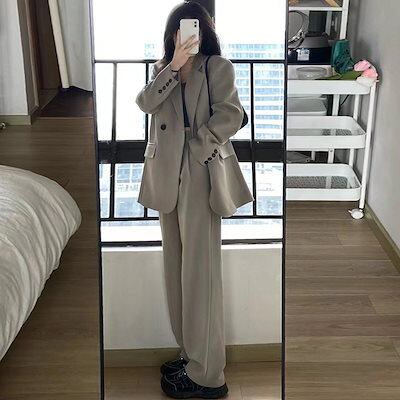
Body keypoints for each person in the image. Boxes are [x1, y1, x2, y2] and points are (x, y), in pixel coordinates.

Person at [135, 1, 254, 398]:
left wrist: (199, 148)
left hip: (201, 170)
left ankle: (208, 375)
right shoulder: (163, 70)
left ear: (205, 33)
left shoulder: (217, 67)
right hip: (165, 173)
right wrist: (173, 65)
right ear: (171, 35)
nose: (185, 36)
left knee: (200, 272)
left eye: (193, 30)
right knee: (176, 267)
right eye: (179, 30)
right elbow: (145, 103)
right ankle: (191, 354)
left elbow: (231, 115)